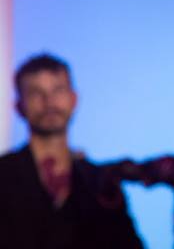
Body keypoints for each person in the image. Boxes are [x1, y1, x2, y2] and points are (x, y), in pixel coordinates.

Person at [0, 53, 144, 249]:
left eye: (58, 90)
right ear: (19, 106)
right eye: (35, 93)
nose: (49, 102)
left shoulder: (100, 182)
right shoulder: (4, 174)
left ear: (73, 99)